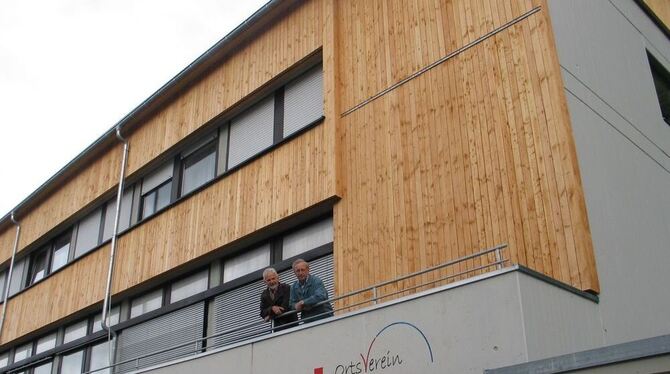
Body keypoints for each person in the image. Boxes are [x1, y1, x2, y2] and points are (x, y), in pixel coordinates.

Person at [289, 258, 333, 323]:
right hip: (308, 320)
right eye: (298, 271)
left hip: (323, 317)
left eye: (302, 270)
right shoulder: (293, 286)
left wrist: (303, 302)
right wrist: (295, 306)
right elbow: (291, 304)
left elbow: (320, 296)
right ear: (294, 273)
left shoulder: (316, 280)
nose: (300, 273)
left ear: (308, 270)